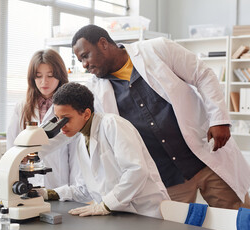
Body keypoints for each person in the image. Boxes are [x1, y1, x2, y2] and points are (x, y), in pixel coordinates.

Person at [71, 24, 250, 209]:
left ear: (103, 43)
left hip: (206, 157)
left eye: (85, 56)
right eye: (80, 60)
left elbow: (203, 75)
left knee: (239, 220)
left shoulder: (157, 49)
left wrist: (219, 120)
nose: (84, 65)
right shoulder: (95, 91)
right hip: (167, 178)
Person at [45, 82, 169, 218]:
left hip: (145, 212)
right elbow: (85, 189)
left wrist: (105, 205)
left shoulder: (112, 124)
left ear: (86, 114)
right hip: (119, 216)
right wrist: (49, 193)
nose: (60, 126)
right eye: (58, 119)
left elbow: (137, 171)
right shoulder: (82, 140)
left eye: (66, 119)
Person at [6, 49, 82, 195]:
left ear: (60, 75)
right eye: (38, 76)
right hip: (27, 184)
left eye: (50, 76)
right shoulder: (22, 107)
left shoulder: (70, 109)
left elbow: (75, 155)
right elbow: (12, 145)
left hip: (60, 185)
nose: (44, 82)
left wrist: (74, 190)